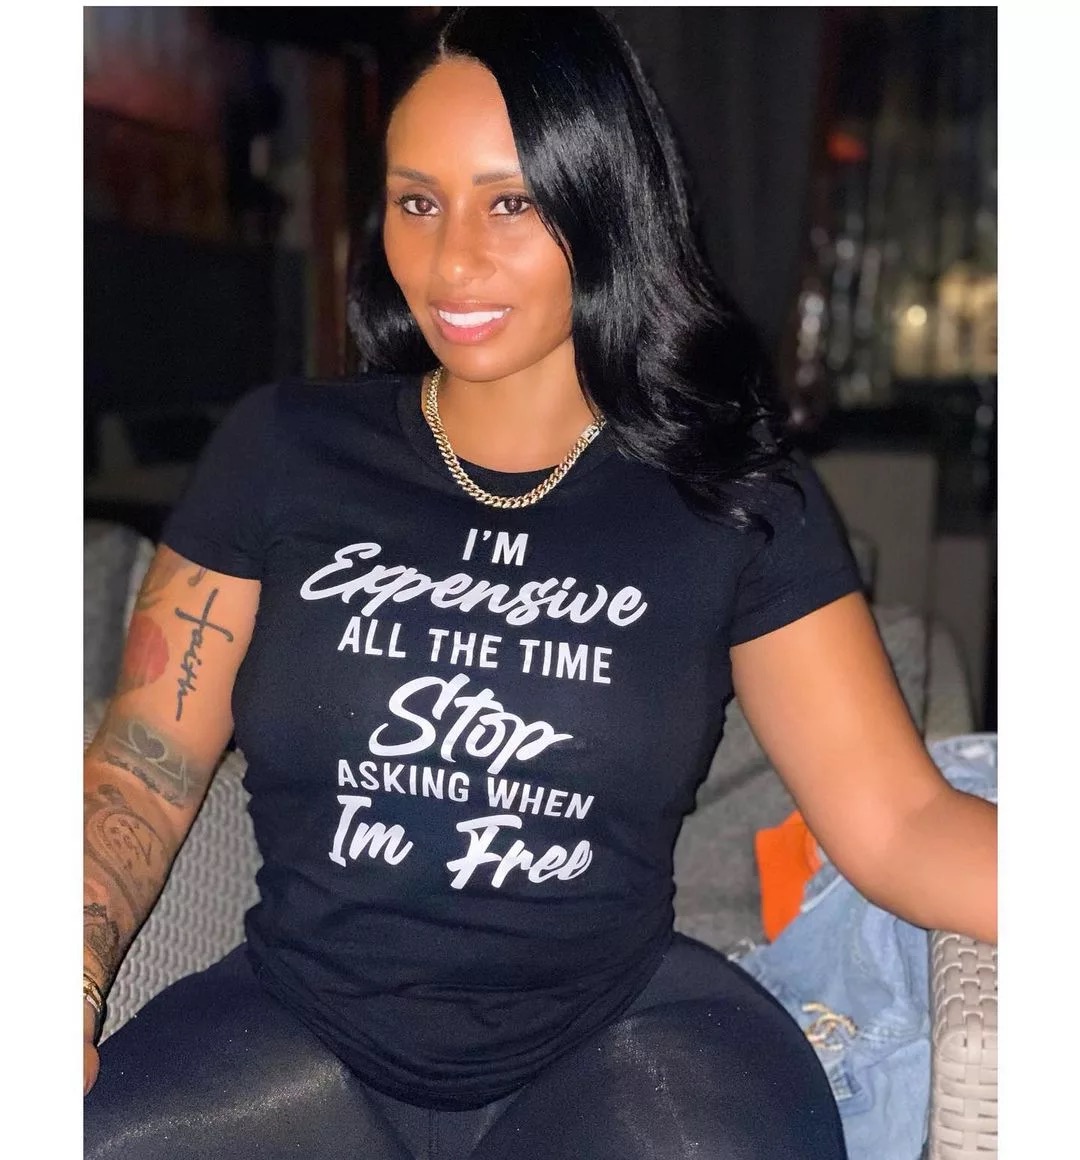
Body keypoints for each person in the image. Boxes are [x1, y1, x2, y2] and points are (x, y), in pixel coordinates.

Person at [83, 8, 996, 1159]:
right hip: (298, 1026)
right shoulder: (282, 448)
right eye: (418, 202)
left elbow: (902, 822)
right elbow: (143, 763)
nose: (452, 259)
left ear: (606, 203)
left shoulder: (733, 496)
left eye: (511, 203)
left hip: (622, 1046)